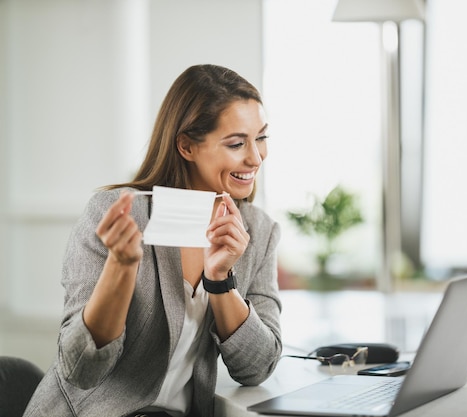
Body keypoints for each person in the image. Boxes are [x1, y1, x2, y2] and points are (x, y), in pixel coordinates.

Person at [23, 64, 282, 417]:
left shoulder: (259, 231)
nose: (255, 157)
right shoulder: (117, 213)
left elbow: (258, 368)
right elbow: (81, 370)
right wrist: (121, 268)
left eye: (262, 137)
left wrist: (221, 282)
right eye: (237, 143)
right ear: (187, 146)